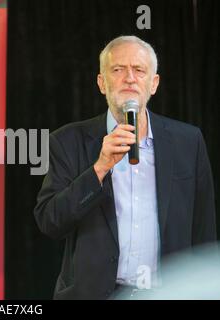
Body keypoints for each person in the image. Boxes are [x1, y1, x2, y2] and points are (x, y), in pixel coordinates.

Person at [34, 35, 217, 300]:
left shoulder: (188, 142)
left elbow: (203, 229)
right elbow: (50, 220)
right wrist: (99, 168)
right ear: (101, 83)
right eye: (118, 70)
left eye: (139, 70)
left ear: (153, 84)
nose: (129, 78)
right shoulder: (67, 141)